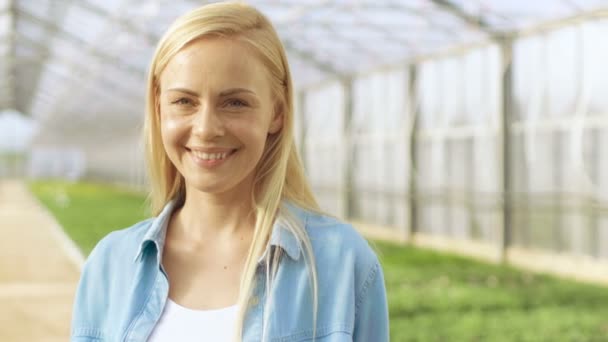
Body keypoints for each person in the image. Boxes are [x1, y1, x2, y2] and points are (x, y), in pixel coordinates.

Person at [70, 2, 389, 341]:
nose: (206, 128)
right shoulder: (110, 265)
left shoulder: (340, 264)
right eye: (184, 101)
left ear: (277, 113)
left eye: (235, 102)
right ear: (159, 109)